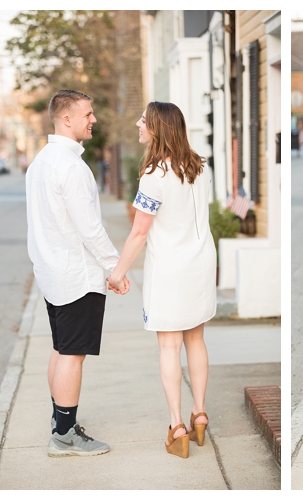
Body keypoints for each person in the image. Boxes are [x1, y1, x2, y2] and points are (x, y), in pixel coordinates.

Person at [107, 102, 216, 459]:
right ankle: (199, 413)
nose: (138, 123)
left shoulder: (154, 174)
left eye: (143, 120)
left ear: (157, 128)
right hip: (201, 264)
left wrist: (118, 273)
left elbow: (139, 233)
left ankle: (177, 425)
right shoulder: (200, 167)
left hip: (170, 268)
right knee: (195, 339)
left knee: (169, 346)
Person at [25, 89, 125, 457]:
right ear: (67, 119)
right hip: (76, 275)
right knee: (72, 354)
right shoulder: (70, 166)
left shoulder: (41, 162)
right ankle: (65, 436)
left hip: (53, 274)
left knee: (61, 349)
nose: (93, 119)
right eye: (88, 113)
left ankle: (59, 423)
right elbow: (90, 229)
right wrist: (114, 268)